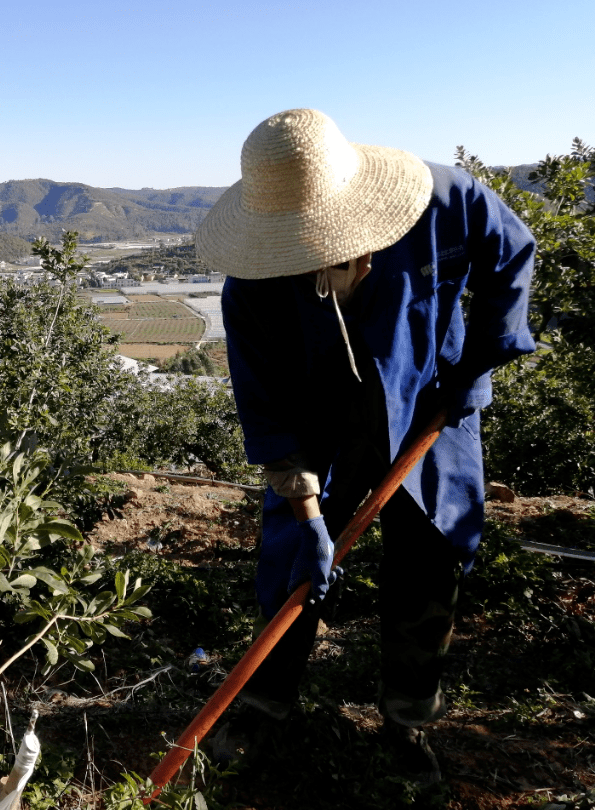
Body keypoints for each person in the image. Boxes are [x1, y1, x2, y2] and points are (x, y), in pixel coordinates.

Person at [194, 108, 536, 784]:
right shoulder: (252, 289)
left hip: (433, 407)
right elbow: (267, 412)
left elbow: (512, 260)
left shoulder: (449, 201)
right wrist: (309, 513)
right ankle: (265, 703)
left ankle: (408, 720)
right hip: (318, 427)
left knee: (431, 558)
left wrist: (482, 363)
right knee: (295, 562)